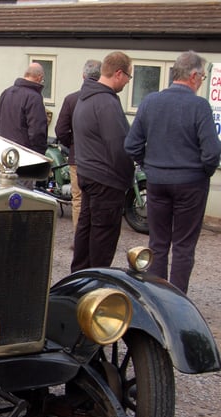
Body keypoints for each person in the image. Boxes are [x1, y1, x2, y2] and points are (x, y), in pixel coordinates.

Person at [124, 51, 221, 293]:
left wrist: (150, 166)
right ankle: (177, 301)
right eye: (202, 77)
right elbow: (211, 152)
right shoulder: (199, 106)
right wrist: (202, 172)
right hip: (191, 183)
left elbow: (131, 145)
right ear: (194, 76)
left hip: (157, 181)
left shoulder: (150, 102)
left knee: (157, 242)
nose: (202, 82)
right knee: (184, 246)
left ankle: (158, 297)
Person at [70, 51, 134, 272]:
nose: (127, 82)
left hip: (87, 174)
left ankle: (78, 284)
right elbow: (119, 146)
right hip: (107, 180)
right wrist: (127, 177)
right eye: (128, 77)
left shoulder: (85, 98)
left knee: (85, 232)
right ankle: (96, 291)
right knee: (102, 240)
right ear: (118, 73)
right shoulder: (106, 102)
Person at [55, 59, 101, 231]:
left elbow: (60, 130)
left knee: (78, 199)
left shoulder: (71, 99)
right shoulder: (108, 99)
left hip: (77, 157)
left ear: (83, 76)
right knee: (96, 199)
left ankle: (79, 236)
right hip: (99, 159)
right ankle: (93, 236)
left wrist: (72, 144)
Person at [0, 62, 48, 154]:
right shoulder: (34, 98)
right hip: (25, 153)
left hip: (5, 151)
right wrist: (40, 152)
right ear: (39, 77)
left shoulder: (6, 92)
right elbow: (36, 131)